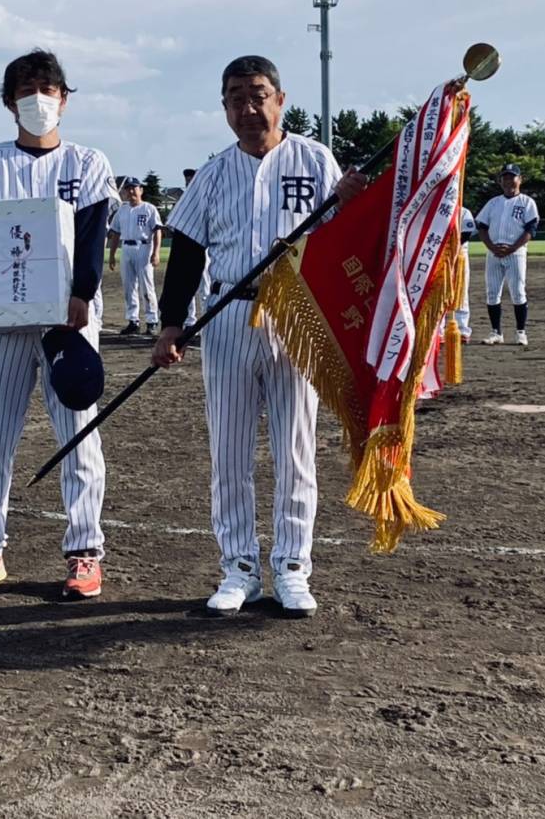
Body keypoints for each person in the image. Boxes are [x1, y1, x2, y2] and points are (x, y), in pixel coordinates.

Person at [151, 55, 364, 619]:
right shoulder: (214, 173)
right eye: (236, 98)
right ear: (224, 107)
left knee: (295, 449)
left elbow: (343, 239)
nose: (248, 108)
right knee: (229, 452)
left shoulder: (315, 160)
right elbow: (186, 252)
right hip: (228, 312)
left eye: (258, 95)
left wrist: (351, 202)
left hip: (297, 316)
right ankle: (238, 567)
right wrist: (172, 322)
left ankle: (292, 567)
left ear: (281, 99)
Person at [0, 49, 114, 599]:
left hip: (67, 317)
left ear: (65, 98)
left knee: (79, 437)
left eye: (48, 89)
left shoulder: (87, 163)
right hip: (3, 319)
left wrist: (83, 294)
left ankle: (85, 551)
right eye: (25, 90)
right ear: (9, 102)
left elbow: (91, 237)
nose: (38, 99)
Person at [476, 163, 539, 346]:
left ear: (520, 180)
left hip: (516, 253)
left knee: (518, 292)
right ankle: (496, 332)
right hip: (493, 253)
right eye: (505, 177)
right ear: (500, 181)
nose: (508, 181)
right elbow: (482, 226)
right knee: (492, 293)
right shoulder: (493, 203)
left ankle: (521, 332)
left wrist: (512, 248)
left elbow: (531, 229)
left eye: (512, 177)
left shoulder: (527, 202)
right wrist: (491, 247)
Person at [107, 177, 162, 335]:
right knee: (129, 286)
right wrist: (112, 254)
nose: (131, 191)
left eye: (134, 188)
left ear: (141, 190)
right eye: (128, 188)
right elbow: (115, 233)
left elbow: (157, 231)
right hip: (126, 248)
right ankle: (133, 320)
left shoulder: (149, 208)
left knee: (147, 286)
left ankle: (151, 321)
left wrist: (156, 252)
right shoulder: (122, 210)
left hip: (144, 247)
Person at [181, 167, 212, 337]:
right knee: (187, 288)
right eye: (187, 180)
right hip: (188, 249)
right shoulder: (183, 201)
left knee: (204, 287)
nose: (189, 182)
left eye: (192, 178)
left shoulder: (207, 197)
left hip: (204, 248)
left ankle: (206, 321)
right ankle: (190, 322)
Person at [449, 205, 477, 343]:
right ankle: (439, 330)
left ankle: (462, 329)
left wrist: (451, 246)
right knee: (440, 292)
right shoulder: (437, 209)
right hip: (440, 257)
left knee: (461, 291)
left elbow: (467, 233)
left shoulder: (464, 211)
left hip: (459, 255)